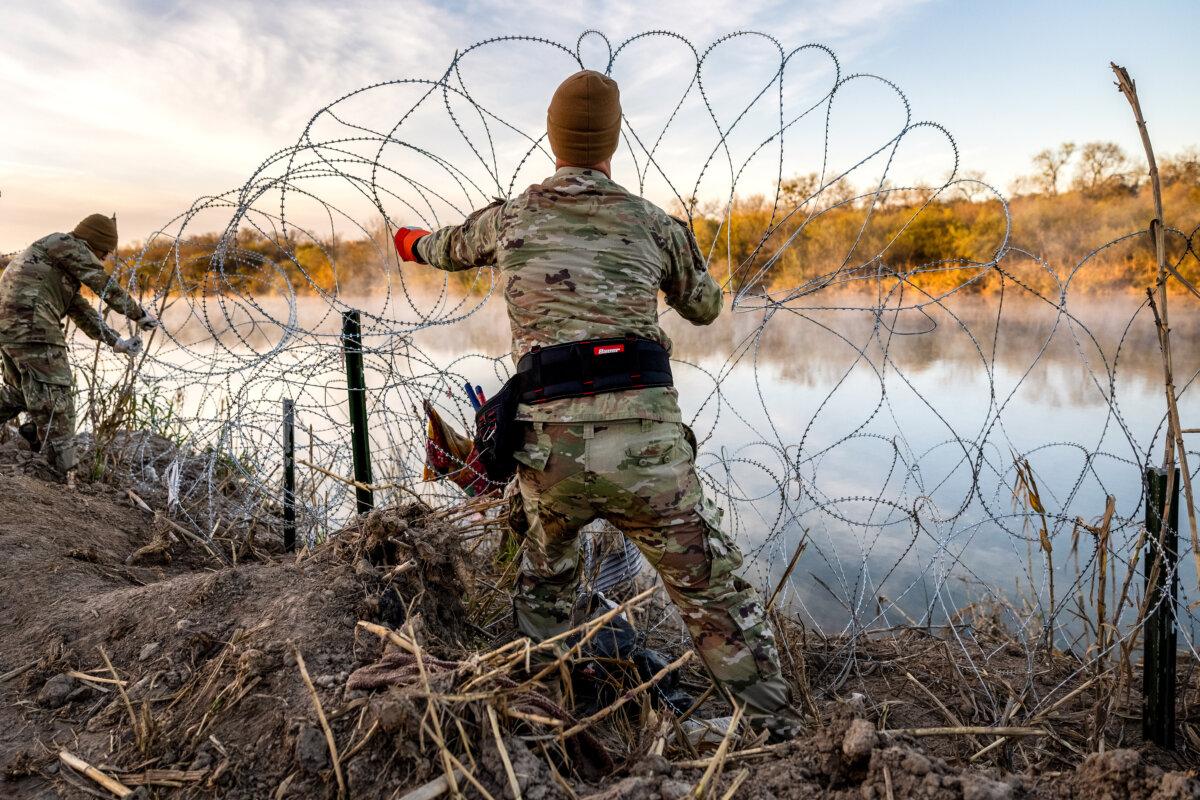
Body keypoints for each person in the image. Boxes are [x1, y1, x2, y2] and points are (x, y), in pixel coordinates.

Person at [393, 70, 802, 739]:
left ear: (554, 138)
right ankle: (771, 729)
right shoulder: (653, 223)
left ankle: (540, 714)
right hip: (649, 455)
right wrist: (687, 254)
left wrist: (405, 240)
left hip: (552, 452)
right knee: (709, 592)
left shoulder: (511, 218)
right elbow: (703, 308)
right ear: (612, 142)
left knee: (546, 579)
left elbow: (441, 248)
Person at [0, 214, 157, 480]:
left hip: (10, 329)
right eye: (104, 251)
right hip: (34, 328)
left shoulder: (53, 261)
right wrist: (138, 313)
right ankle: (63, 473)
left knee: (20, 393)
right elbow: (101, 282)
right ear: (91, 242)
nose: (105, 258)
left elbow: (79, 310)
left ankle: (42, 444)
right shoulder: (66, 244)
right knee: (59, 401)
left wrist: (116, 341)